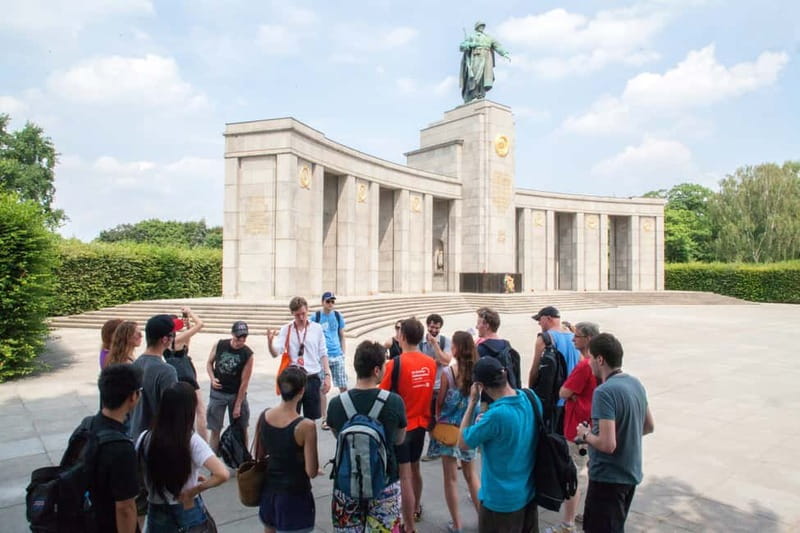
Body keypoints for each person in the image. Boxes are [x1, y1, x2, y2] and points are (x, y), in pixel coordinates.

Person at [574, 333, 655, 533]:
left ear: (600, 359)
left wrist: (585, 434)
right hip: (629, 474)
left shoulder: (604, 392)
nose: (589, 362)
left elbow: (607, 444)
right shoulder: (635, 383)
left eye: (591, 357)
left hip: (608, 479)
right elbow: (648, 426)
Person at [327, 340, 407, 533]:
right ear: (376, 370)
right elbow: (399, 439)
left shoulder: (336, 404)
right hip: (385, 483)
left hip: (346, 484)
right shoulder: (394, 402)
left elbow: (338, 437)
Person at [459, 357, 540, 533]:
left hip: (500, 501)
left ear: (480, 386)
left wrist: (472, 403)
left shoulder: (496, 416)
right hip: (528, 492)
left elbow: (463, 443)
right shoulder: (530, 397)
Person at [136, 382, 229, 532]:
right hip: (187, 508)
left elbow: (144, 470)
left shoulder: (145, 438)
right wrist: (194, 489)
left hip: (156, 508)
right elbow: (222, 474)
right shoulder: (191, 441)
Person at [379, 318, 436, 531]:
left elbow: (382, 395)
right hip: (421, 424)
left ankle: (409, 524)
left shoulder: (394, 364)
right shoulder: (430, 363)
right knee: (415, 467)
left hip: (402, 428)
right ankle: (416, 507)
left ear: (401, 336)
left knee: (404, 475)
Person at [546, 321, 600, 533]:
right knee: (589, 471)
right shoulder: (598, 362)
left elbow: (563, 392)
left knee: (572, 475)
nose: (572, 339)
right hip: (593, 424)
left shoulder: (584, 366)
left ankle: (567, 524)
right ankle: (586, 512)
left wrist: (573, 395)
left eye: (576, 336)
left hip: (578, 426)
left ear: (588, 339)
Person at [256, 366, 320, 533]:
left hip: (270, 491)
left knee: (269, 528)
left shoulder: (265, 416)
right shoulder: (305, 426)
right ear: (302, 391)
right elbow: (311, 471)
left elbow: (260, 455)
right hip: (295, 495)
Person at [429, 331, 480, 533]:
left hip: (449, 432)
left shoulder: (448, 373)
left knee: (450, 479)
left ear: (456, 349)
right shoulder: (478, 374)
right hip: (470, 431)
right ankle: (484, 518)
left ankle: (457, 524)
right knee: (471, 476)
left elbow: (440, 402)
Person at [92, 363, 142, 533]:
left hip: (88, 516)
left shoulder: (87, 425)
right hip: (108, 523)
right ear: (133, 396)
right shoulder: (122, 448)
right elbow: (125, 507)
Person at [267, 296, 332, 420]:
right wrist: (270, 344)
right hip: (293, 378)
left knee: (311, 419)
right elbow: (276, 353)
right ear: (292, 313)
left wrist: (327, 376)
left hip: (312, 377)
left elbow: (323, 353)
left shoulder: (316, 328)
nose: (301, 318)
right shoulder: (287, 329)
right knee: (290, 417)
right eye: (297, 315)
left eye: (303, 314)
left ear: (307, 310)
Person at [529, 306, 582, 432]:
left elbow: (535, 370)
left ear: (548, 318)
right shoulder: (574, 337)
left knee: (551, 437)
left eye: (540, 320)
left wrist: (531, 392)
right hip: (572, 398)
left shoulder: (545, 338)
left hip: (553, 399)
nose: (539, 323)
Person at [206, 320, 255, 453]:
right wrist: (212, 378)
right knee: (215, 429)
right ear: (232, 334)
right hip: (218, 393)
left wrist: (238, 404)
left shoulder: (247, 354)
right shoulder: (220, 344)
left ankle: (244, 458)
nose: (241, 341)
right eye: (238, 338)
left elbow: (245, 381)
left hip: (236, 393)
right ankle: (213, 457)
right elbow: (209, 363)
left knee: (242, 427)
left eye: (244, 338)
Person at [131, 314, 179, 439]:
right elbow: (171, 410)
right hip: (157, 439)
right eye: (173, 335)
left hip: (136, 435)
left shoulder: (134, 365)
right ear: (165, 339)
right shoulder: (167, 371)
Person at [165, 307, 208, 441]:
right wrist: (190, 312)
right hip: (187, 374)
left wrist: (186, 321)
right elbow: (200, 324)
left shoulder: (166, 341)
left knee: (182, 411)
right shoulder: (177, 340)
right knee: (200, 410)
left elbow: (187, 339)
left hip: (176, 374)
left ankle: (184, 438)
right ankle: (203, 442)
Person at [310, 291, 347, 431]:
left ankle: (345, 413)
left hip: (337, 354)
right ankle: (325, 418)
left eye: (332, 301)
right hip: (322, 356)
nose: (330, 304)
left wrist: (343, 353)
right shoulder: (316, 317)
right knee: (323, 387)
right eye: (328, 301)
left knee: (343, 385)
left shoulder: (337, 315)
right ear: (322, 302)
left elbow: (342, 335)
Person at [418, 313, 452, 461]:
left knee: (440, 418)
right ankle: (435, 447)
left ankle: (436, 448)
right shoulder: (419, 343)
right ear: (427, 326)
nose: (433, 330)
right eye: (431, 327)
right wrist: (435, 360)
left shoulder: (445, 341)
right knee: (429, 419)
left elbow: (446, 361)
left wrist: (435, 345)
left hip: (440, 385)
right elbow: (419, 362)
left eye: (436, 328)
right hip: (425, 386)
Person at [459, 21, 510, 103]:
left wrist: (504, 53)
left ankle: (481, 94)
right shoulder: (471, 36)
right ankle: (473, 95)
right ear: (477, 27)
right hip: (476, 56)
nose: (482, 27)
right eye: (480, 25)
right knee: (475, 76)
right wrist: (470, 45)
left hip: (487, 58)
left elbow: (497, 46)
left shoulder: (488, 37)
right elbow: (462, 46)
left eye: (483, 26)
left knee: (484, 76)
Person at [475, 307, 518, 389]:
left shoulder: (481, 349)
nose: (476, 327)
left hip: (490, 394)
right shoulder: (507, 345)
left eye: (478, 323)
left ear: (486, 326)